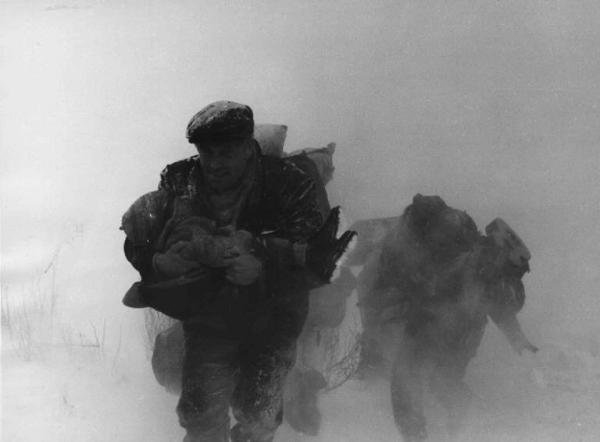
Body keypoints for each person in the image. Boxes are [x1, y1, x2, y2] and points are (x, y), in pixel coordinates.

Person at [121, 101, 355, 442]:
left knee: (258, 414)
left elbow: (319, 261)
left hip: (275, 317)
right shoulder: (180, 179)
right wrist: (156, 262)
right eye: (207, 152)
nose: (214, 164)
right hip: (209, 316)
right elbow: (140, 234)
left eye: (226, 153)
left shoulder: (291, 183)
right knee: (201, 413)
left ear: (249, 146)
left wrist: (261, 264)